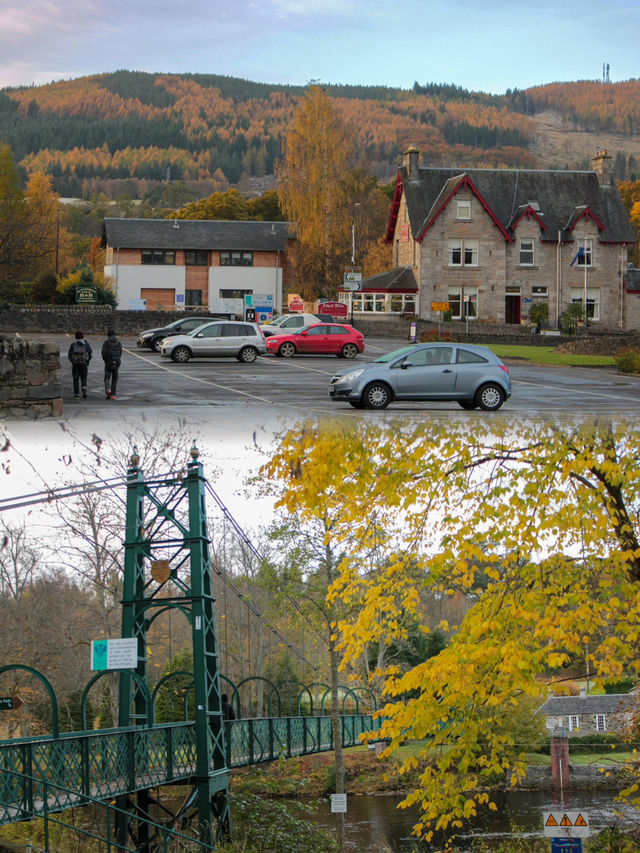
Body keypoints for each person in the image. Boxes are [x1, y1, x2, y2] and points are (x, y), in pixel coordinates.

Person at [68, 330, 92, 399]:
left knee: (76, 379)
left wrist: (73, 361)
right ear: (83, 336)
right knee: (84, 377)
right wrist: (87, 361)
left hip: (75, 364)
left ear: (75, 337)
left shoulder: (73, 345)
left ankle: (76, 395)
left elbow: (69, 355)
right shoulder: (86, 344)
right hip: (83, 363)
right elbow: (91, 354)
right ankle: (84, 389)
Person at [101, 329, 123, 399]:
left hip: (108, 362)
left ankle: (108, 390)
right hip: (116, 362)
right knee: (115, 378)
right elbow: (120, 353)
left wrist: (105, 361)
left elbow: (103, 353)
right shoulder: (119, 343)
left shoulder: (106, 343)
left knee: (107, 377)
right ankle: (113, 394)